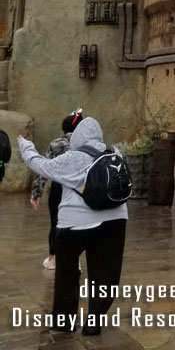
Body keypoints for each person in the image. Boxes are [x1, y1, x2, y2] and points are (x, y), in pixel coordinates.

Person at [18, 117, 128, 336]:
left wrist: (26, 146)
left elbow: (40, 165)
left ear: (77, 137)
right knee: (106, 274)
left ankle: (64, 322)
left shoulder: (72, 157)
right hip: (115, 221)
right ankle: (94, 321)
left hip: (75, 225)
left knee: (67, 273)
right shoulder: (115, 153)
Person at [30, 109, 84, 270]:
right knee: (77, 223)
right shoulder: (85, 144)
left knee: (56, 222)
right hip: (79, 187)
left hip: (59, 187)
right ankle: (75, 260)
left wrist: (36, 193)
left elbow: (44, 169)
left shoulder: (55, 144)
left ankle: (53, 258)